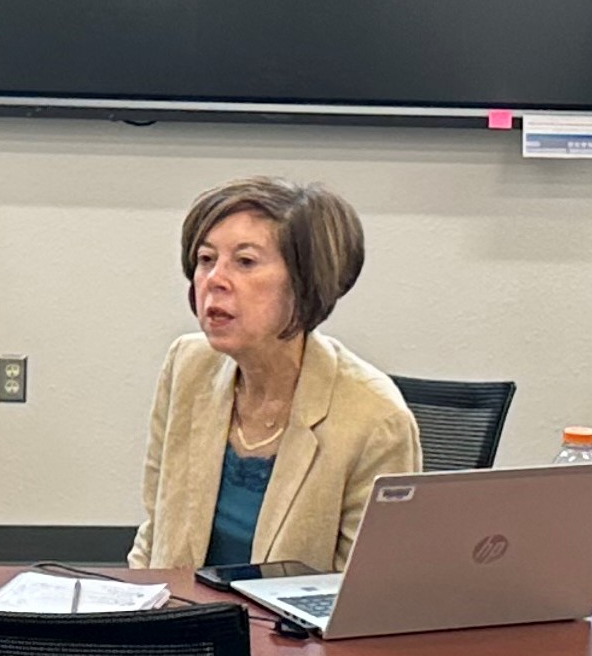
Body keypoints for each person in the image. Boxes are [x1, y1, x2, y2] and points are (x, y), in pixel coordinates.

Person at [125, 177, 423, 575]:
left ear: (304, 283)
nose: (214, 280)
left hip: (290, 636)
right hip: (181, 625)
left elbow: (367, 591)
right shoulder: (187, 364)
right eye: (206, 259)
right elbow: (154, 531)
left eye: (245, 262)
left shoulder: (375, 418)